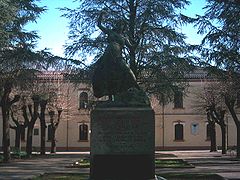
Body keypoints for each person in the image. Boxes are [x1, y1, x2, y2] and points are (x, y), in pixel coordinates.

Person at [92, 11, 139, 100]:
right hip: (107, 55)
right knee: (108, 75)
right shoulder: (110, 32)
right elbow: (99, 25)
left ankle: (135, 88)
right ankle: (110, 97)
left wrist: (138, 40)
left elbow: (132, 47)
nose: (119, 26)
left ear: (123, 27)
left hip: (118, 57)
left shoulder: (124, 38)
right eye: (118, 24)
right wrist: (101, 15)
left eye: (121, 25)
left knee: (128, 71)